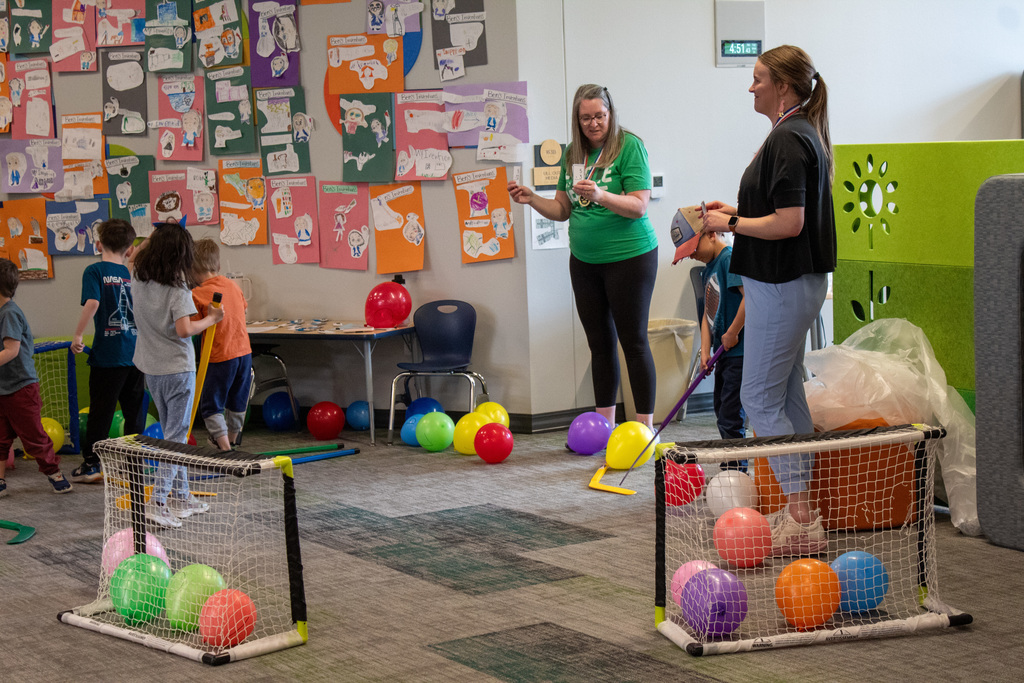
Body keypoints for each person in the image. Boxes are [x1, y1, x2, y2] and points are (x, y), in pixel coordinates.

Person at [701, 45, 837, 556]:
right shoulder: (794, 133)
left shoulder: (790, 137)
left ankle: (801, 517)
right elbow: (781, 211)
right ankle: (804, 513)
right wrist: (735, 210)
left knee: (758, 398)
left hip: (783, 287)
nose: (750, 86)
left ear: (783, 84)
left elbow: (791, 223)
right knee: (786, 397)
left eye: (758, 78)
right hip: (784, 285)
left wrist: (729, 224)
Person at [508, 84, 658, 432]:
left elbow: (638, 205)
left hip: (630, 257)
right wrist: (532, 199)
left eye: (600, 116)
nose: (593, 124)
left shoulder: (629, 146)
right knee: (599, 344)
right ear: (577, 120)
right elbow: (562, 209)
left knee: (632, 341)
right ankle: (603, 426)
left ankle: (643, 428)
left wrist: (602, 194)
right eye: (586, 117)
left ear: (610, 114)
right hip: (586, 261)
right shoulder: (573, 153)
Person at [132, 222, 223, 527]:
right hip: (177, 368)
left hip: (151, 369)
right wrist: (210, 318)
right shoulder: (177, 289)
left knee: (176, 434)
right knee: (176, 438)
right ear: (181, 256)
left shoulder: (139, 279)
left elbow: (135, 254)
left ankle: (181, 497)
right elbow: (185, 329)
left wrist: (156, 235)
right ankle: (157, 502)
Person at [70, 219, 145, 483]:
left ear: (99, 244)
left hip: (108, 356)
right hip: (136, 355)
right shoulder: (133, 274)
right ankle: (134, 466)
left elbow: (92, 301)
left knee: (101, 413)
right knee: (134, 413)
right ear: (130, 249)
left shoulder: (95, 271)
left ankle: (92, 465)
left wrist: (78, 334)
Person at [670, 209, 746, 448]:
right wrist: (705, 350)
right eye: (687, 252)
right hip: (723, 355)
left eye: (693, 248)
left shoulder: (729, 259)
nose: (691, 255)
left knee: (731, 417)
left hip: (740, 354)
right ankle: (731, 469)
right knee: (721, 410)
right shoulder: (710, 267)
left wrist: (733, 331)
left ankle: (735, 473)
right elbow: (707, 314)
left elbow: (750, 299)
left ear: (712, 234)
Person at [0, 259, 73, 496]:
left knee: (33, 436)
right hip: (2, 389)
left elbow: (11, 351)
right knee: (0, 438)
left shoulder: (9, 313)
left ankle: (54, 472)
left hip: (21, 388)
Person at [190, 238, 252, 451]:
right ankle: (232, 440)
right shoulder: (233, 285)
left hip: (219, 356)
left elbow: (191, 327)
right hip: (244, 353)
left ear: (190, 268)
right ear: (217, 264)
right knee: (237, 401)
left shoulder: (196, 293)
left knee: (211, 404)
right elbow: (243, 311)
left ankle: (225, 449)